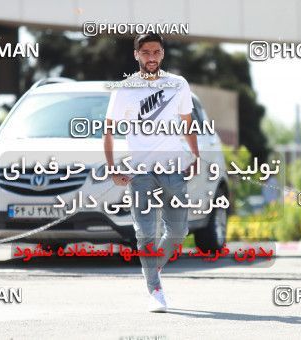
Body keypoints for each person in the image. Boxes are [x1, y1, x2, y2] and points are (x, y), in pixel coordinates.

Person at [103, 33, 200, 312]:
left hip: (173, 167)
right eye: (145, 52)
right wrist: (112, 170)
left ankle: (151, 269)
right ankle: (155, 290)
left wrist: (194, 156)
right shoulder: (125, 89)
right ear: (136, 55)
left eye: (156, 52)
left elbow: (187, 124)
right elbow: (108, 132)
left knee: (179, 231)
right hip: (140, 171)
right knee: (145, 232)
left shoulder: (177, 85)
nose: (151, 57)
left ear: (163, 54)